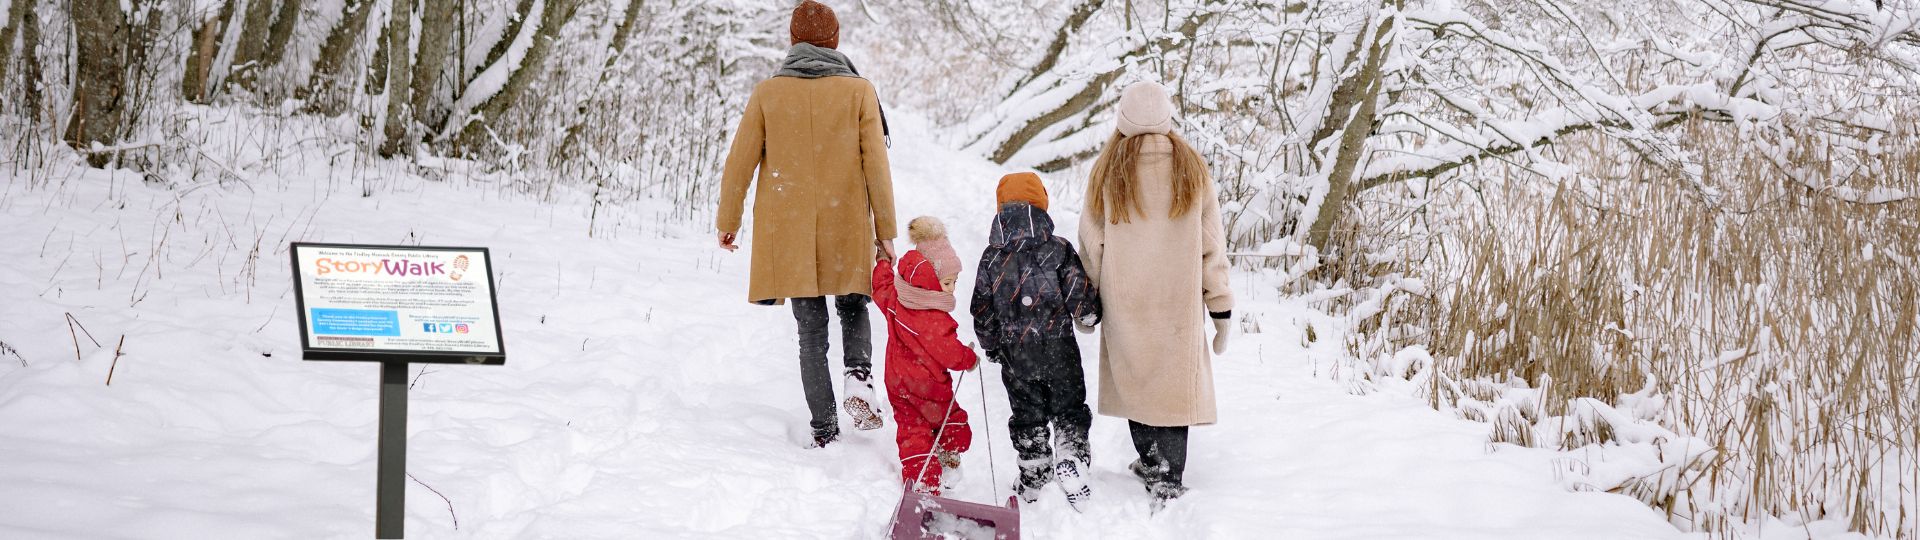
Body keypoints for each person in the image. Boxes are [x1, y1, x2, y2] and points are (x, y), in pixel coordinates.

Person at [715, 0, 896, 448]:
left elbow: (739, 162)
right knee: (853, 302)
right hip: (846, 221)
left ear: (792, 41)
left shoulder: (768, 93)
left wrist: (728, 221)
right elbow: (877, 163)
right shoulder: (858, 92)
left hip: (791, 227)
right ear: (835, 42)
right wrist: (885, 232)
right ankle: (858, 376)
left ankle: (824, 428)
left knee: (810, 329)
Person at [1077, 81, 1233, 505]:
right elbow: (1211, 244)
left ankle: (1150, 462)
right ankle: (1169, 474)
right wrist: (1219, 307)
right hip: (1177, 301)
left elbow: (1092, 244)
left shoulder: (1108, 169)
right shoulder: (1191, 168)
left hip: (1125, 299)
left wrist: (1086, 305)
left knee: (1138, 382)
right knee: (1170, 388)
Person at [970, 172, 1102, 509]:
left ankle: (1034, 472)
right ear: (1042, 204)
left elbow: (981, 308)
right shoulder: (1057, 249)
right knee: (1069, 408)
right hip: (1059, 349)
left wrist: (991, 344)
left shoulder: (991, 257)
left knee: (1027, 415)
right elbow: (1080, 297)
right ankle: (1071, 454)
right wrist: (1089, 312)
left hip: (1017, 356)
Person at [870, 217, 979, 494]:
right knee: (953, 421)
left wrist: (883, 263)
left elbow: (881, 287)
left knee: (912, 434)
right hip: (929, 389)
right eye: (947, 282)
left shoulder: (897, 298)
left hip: (898, 385)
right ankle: (950, 455)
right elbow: (950, 354)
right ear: (929, 279)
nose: (952, 288)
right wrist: (968, 359)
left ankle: (924, 484)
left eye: (954, 282)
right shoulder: (934, 319)